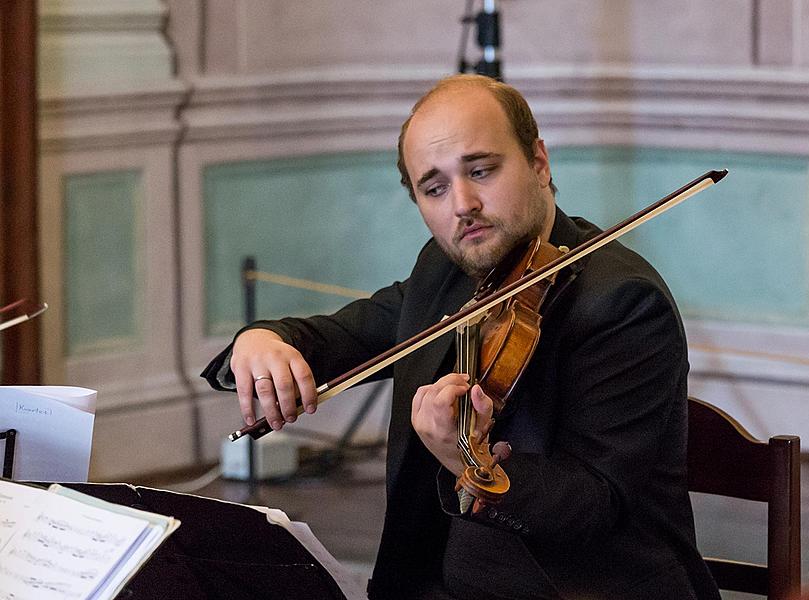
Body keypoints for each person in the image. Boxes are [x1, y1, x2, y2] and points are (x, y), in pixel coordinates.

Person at [202, 74, 721, 600]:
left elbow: (595, 507)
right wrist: (263, 338)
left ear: (539, 163)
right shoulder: (449, 270)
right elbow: (348, 334)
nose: (462, 203)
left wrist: (470, 463)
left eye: (481, 170)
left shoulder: (621, 302)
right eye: (435, 187)